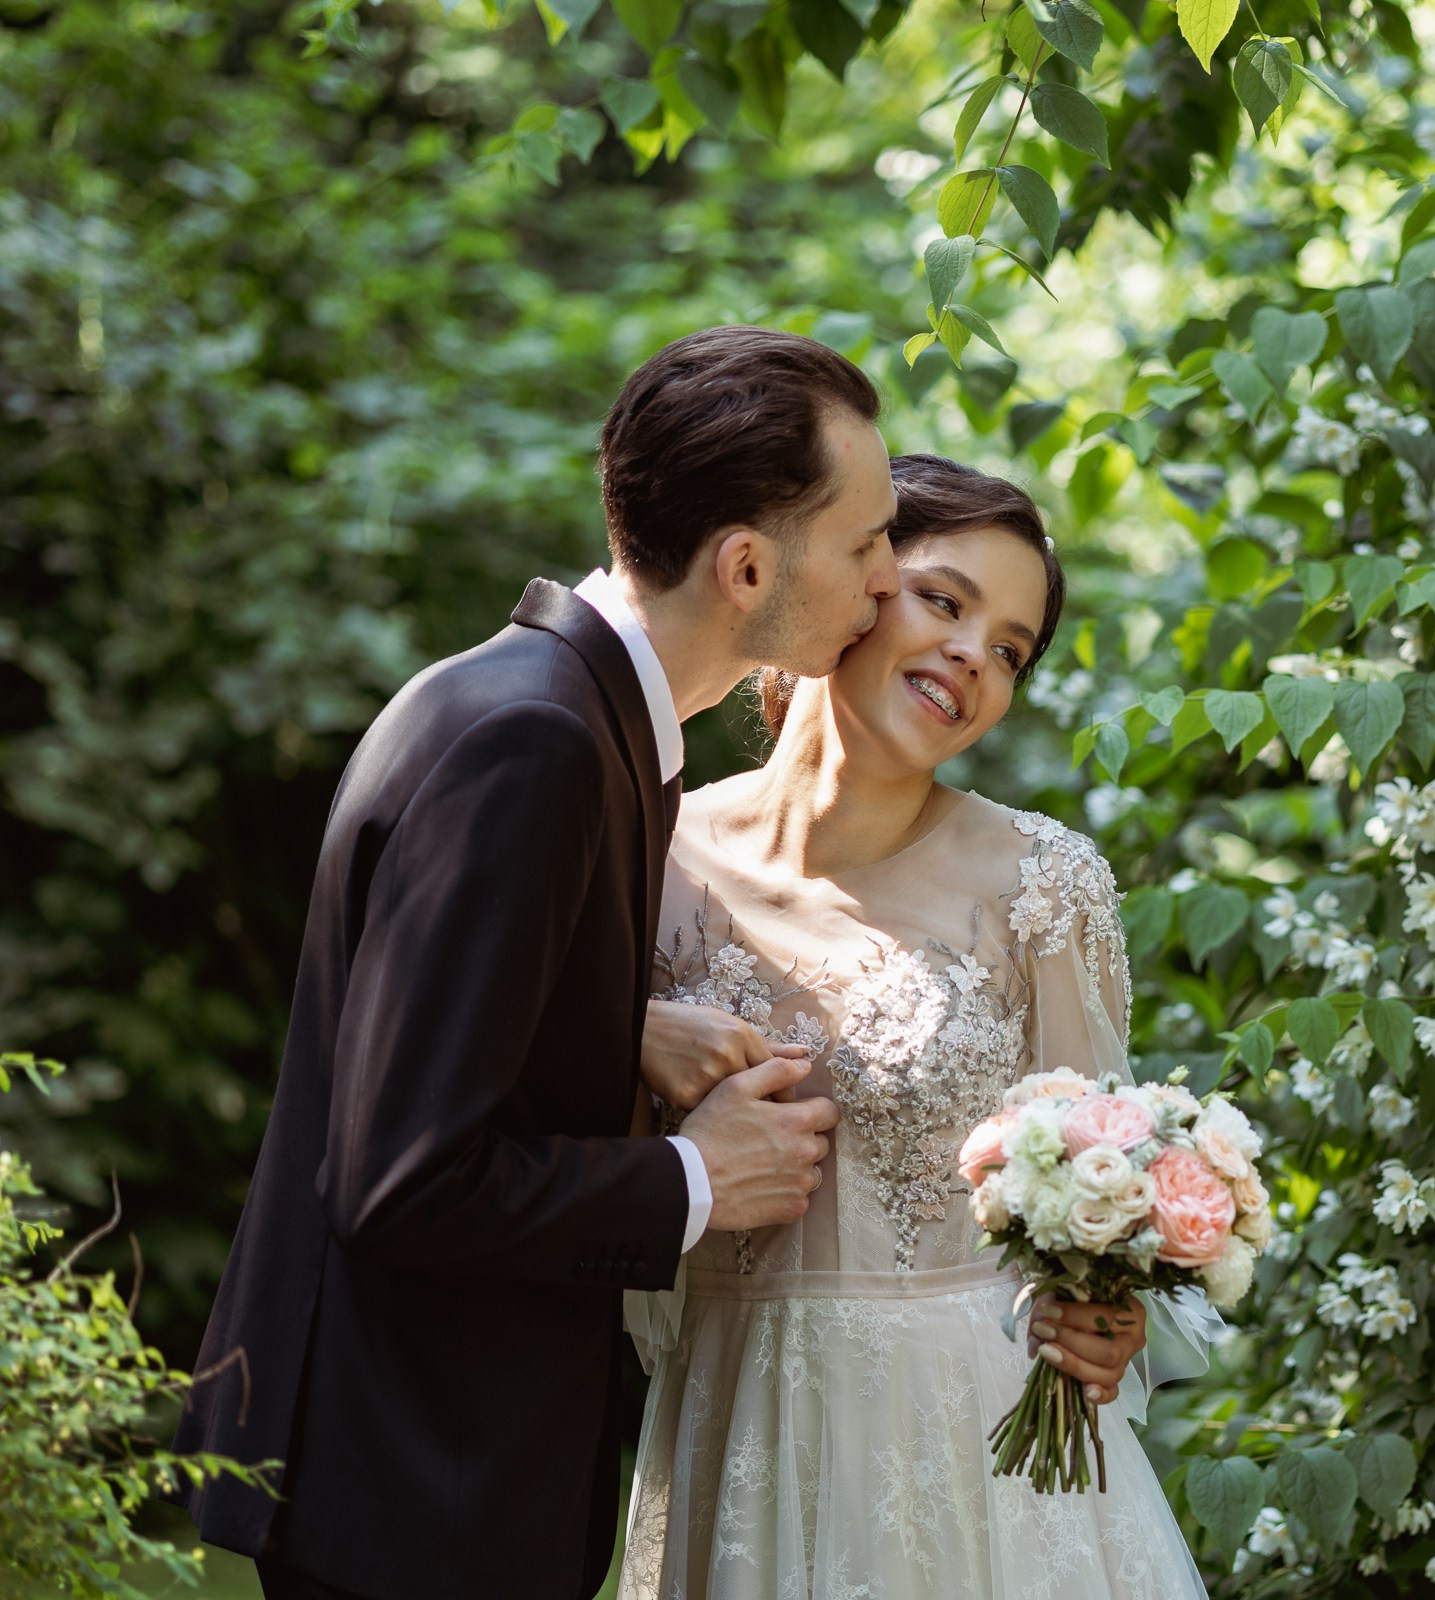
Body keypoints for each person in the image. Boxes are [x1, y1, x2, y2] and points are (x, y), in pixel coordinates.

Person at [173, 327, 904, 1600]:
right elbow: (401, 1180)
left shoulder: (543, 704)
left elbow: (413, 1008)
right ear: (745, 566)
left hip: (433, 1471)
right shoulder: (534, 747)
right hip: (417, 1485)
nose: (888, 583)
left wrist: (616, 1019)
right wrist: (694, 1177)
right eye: (868, 541)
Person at [618, 455, 1212, 1600]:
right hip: (739, 1429)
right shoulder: (656, 853)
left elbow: (1098, 1207)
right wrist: (627, 1031)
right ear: (859, 580)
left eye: (1010, 651)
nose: (973, 661)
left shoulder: (1045, 886)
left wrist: (1104, 1317)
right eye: (945, 601)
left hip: (981, 1465)